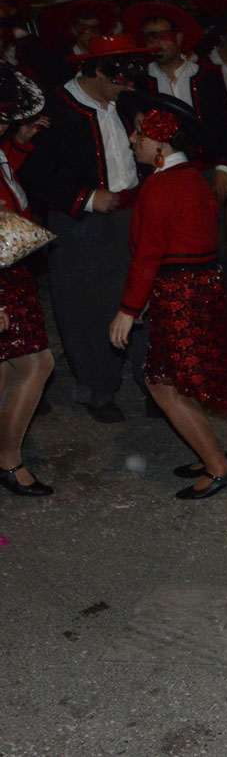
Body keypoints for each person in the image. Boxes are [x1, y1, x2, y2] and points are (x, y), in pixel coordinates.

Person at [18, 34, 156, 424]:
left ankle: (154, 384)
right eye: (119, 78)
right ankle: (98, 387)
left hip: (133, 215)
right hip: (80, 224)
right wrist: (87, 198)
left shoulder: (128, 101)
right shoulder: (56, 108)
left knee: (142, 298)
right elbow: (33, 173)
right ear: (96, 70)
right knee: (85, 307)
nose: (127, 86)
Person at [108, 93, 227, 499]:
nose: (132, 139)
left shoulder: (161, 187)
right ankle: (209, 452)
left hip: (181, 293)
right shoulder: (194, 180)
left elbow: (149, 255)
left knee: (163, 386)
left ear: (161, 143)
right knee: (176, 380)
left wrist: (128, 310)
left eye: (140, 133)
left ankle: (219, 467)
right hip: (199, 289)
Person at [122, 2, 227, 283]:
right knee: (165, 239)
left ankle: (215, 294)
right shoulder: (139, 83)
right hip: (161, 174)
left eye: (162, 35)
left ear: (179, 38)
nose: (156, 42)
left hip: (204, 168)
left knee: (214, 238)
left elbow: (226, 126)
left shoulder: (207, 77)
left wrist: (223, 167)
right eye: (150, 36)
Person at [0, 66, 55, 497]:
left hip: (11, 273)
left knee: (8, 367)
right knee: (37, 364)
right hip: (2, 282)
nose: (8, 124)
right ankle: (9, 461)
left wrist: (18, 145)